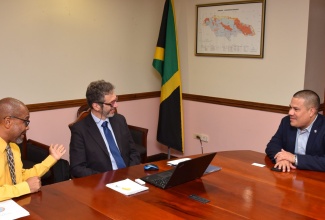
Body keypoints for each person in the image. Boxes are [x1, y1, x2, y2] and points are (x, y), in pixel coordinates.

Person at [69, 80, 140, 178]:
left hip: (129, 177)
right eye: (112, 103)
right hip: (102, 184)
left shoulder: (120, 120)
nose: (116, 105)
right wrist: (106, 178)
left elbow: (134, 152)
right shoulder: (80, 130)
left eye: (116, 100)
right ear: (96, 106)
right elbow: (77, 168)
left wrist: (129, 173)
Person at [0, 97, 66, 202]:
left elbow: (20, 176)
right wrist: (26, 188)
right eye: (25, 122)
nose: (27, 127)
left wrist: (52, 158)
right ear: (8, 122)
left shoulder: (13, 148)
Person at [266, 89, 325, 172]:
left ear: (311, 111)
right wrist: (282, 159)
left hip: (316, 179)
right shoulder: (286, 122)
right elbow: (272, 145)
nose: (290, 112)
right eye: (290, 107)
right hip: (290, 176)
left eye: (296, 109)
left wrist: (295, 158)